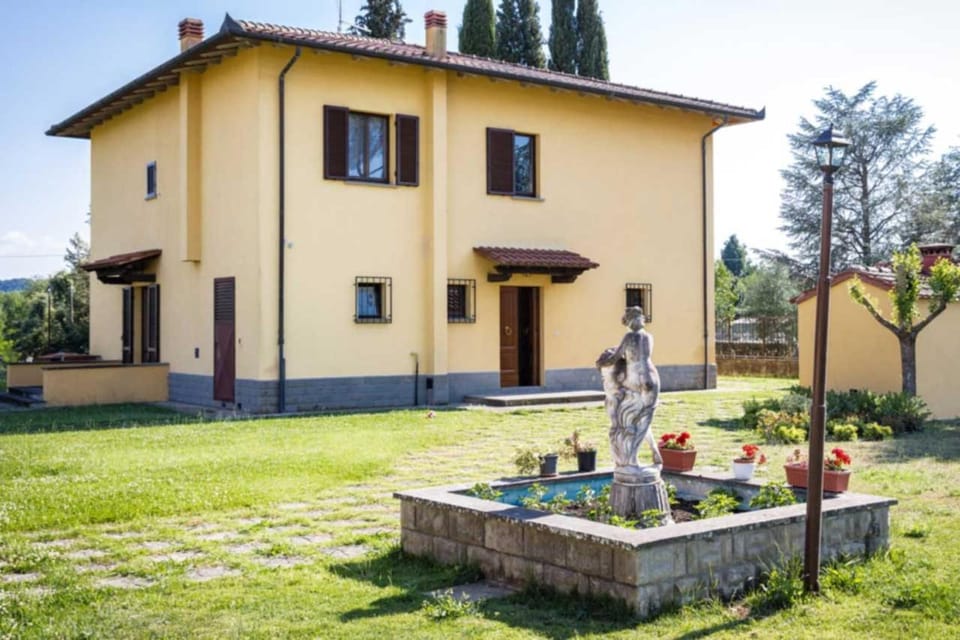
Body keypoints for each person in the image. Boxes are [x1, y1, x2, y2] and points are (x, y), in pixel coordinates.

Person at [596, 306, 662, 473]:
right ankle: (653, 451)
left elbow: (615, 357)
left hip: (634, 380)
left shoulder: (629, 337)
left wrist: (600, 364)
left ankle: (631, 458)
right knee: (645, 417)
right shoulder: (649, 337)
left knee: (627, 418)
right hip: (652, 378)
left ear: (629, 321)